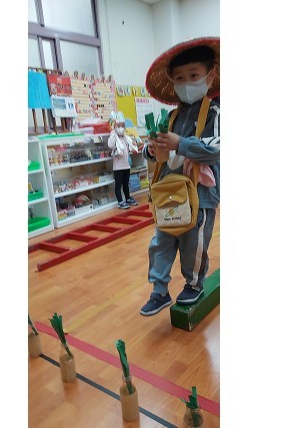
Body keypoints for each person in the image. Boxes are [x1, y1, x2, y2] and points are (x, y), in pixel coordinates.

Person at [140, 37, 220, 316]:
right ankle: (159, 290)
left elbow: (217, 149)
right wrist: (152, 150)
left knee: (193, 243)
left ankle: (194, 283)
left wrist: (180, 144)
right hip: (169, 191)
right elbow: (154, 150)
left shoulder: (214, 113)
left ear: (210, 75)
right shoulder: (171, 116)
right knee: (161, 240)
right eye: (180, 78)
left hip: (200, 195)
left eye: (194, 76)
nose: (186, 83)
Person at [107, 111, 139, 209]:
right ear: (114, 126)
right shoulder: (114, 137)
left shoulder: (125, 138)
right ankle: (120, 201)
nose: (121, 128)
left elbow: (130, 146)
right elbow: (110, 145)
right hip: (118, 167)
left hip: (126, 165)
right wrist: (113, 132)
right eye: (118, 126)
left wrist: (134, 144)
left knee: (126, 183)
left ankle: (128, 198)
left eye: (123, 126)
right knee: (118, 185)